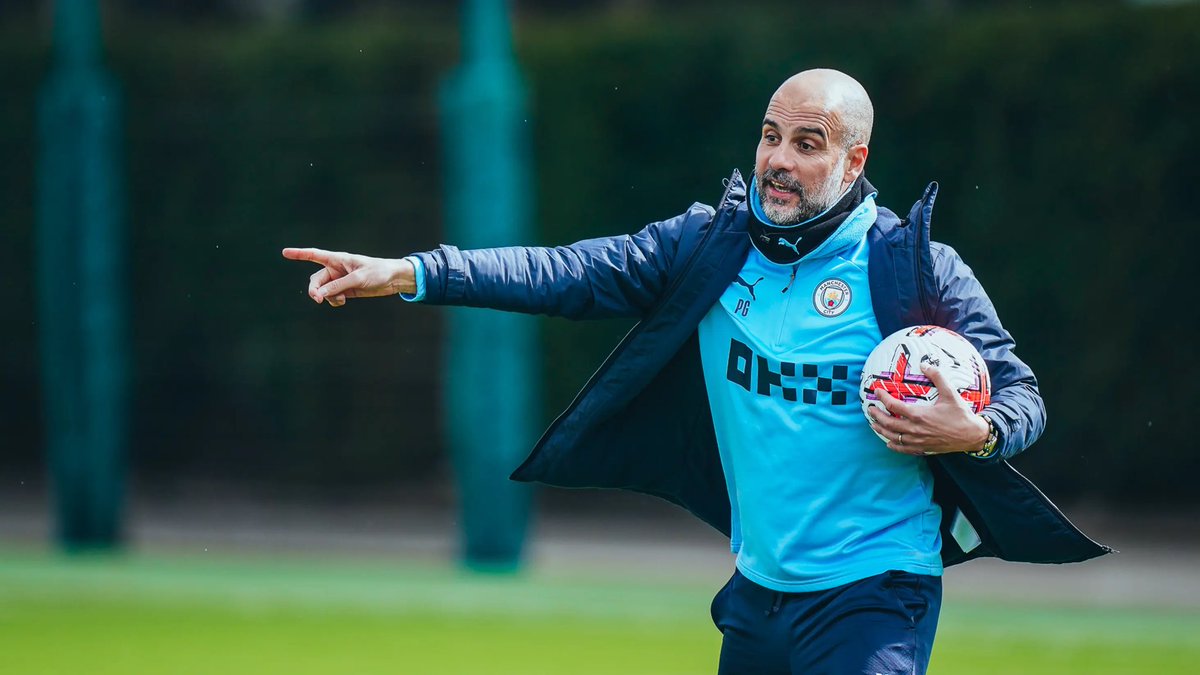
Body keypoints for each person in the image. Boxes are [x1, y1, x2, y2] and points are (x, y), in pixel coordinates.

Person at [284, 69, 1108, 675]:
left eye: (808, 144)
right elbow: (566, 272)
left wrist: (977, 432)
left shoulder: (913, 266)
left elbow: (1022, 394)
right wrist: (414, 272)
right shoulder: (710, 244)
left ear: (854, 162)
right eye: (770, 135)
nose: (778, 159)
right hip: (756, 596)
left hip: (875, 593)